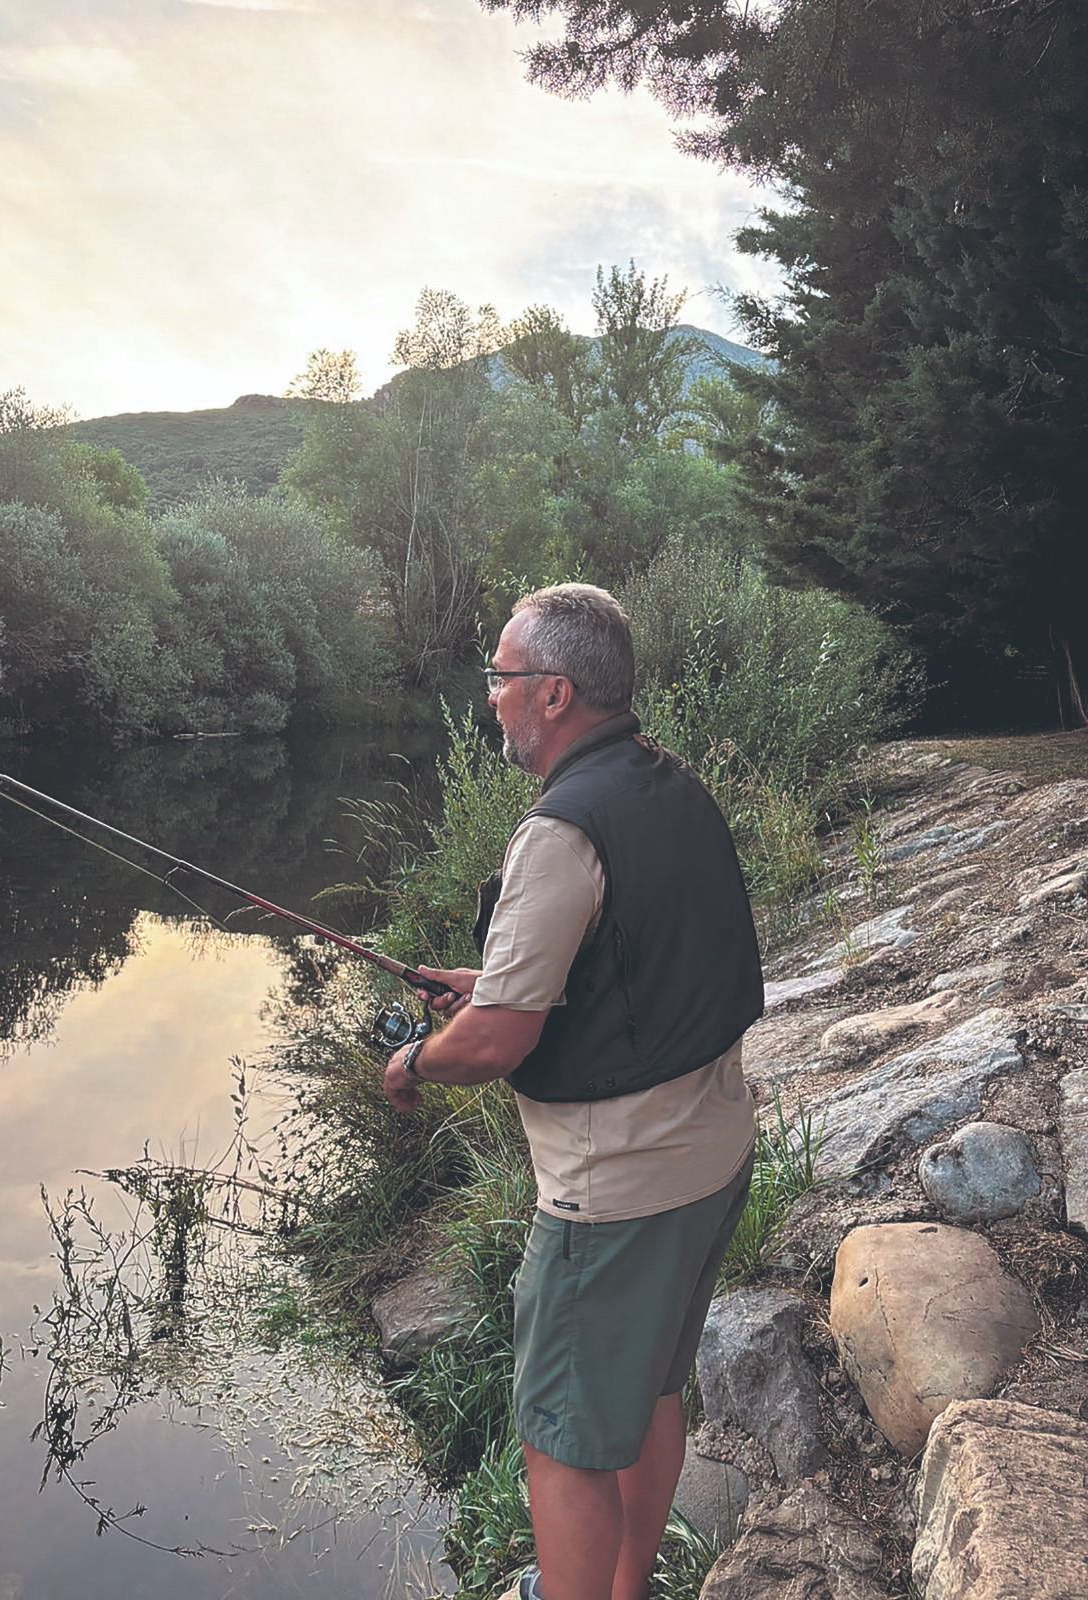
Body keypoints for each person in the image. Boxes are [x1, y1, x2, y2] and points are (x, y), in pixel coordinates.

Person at [383, 584, 764, 1600]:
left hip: (616, 1194)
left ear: (552, 693)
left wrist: (415, 1060)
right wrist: (490, 986)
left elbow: (497, 1043)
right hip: (711, 1152)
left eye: (501, 677)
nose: (491, 696)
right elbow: (633, 962)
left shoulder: (558, 831)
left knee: (557, 1438)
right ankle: (625, 1586)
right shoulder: (665, 784)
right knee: (646, 1388)